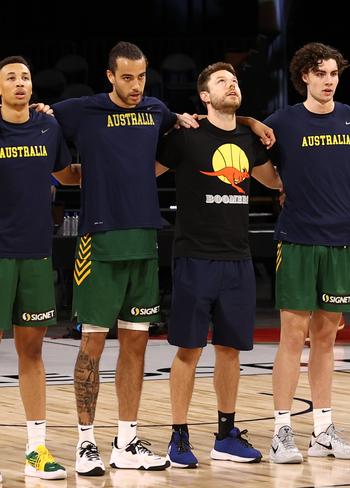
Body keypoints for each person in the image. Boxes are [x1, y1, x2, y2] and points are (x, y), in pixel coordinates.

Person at [50, 41, 273, 476]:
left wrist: (250, 119)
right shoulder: (81, 109)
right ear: (110, 76)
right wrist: (73, 174)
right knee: (93, 344)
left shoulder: (156, 110)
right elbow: (38, 125)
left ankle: (126, 439)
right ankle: (85, 443)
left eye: (141, 77)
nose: (136, 86)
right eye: (127, 77)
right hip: (99, 241)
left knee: (135, 345)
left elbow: (216, 122)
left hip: (145, 242)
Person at [156, 62, 282, 467]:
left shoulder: (249, 137)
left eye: (236, 81)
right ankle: (178, 437)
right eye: (222, 82)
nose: (232, 85)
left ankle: (226, 434)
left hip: (238, 258)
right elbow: (144, 170)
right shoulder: (185, 136)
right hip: (194, 255)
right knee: (189, 350)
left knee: (231, 350)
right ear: (205, 97)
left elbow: (275, 181)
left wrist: (255, 123)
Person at [264, 42, 350, 463]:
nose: (329, 81)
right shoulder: (283, 121)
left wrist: (342, 200)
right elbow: (254, 156)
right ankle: (281, 433)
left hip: (340, 239)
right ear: (305, 76)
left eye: (334, 74)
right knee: (292, 337)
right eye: (321, 73)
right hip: (296, 239)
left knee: (326, 338)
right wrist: (277, 185)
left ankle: (324, 431)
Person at [0, 56, 79, 480]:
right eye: (10, 77)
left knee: (32, 351)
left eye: (25, 77)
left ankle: (36, 448)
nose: (19, 83)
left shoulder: (48, 127)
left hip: (35, 251)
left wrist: (117, 170)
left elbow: (65, 175)